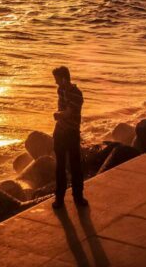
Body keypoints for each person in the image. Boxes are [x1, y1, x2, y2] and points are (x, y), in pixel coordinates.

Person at [52, 66, 87, 209]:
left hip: (71, 132)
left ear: (64, 78)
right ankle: (59, 198)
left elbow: (69, 112)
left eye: (57, 79)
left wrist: (57, 115)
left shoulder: (76, 93)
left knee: (75, 165)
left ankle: (78, 197)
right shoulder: (61, 90)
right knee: (60, 166)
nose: (56, 83)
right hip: (60, 132)